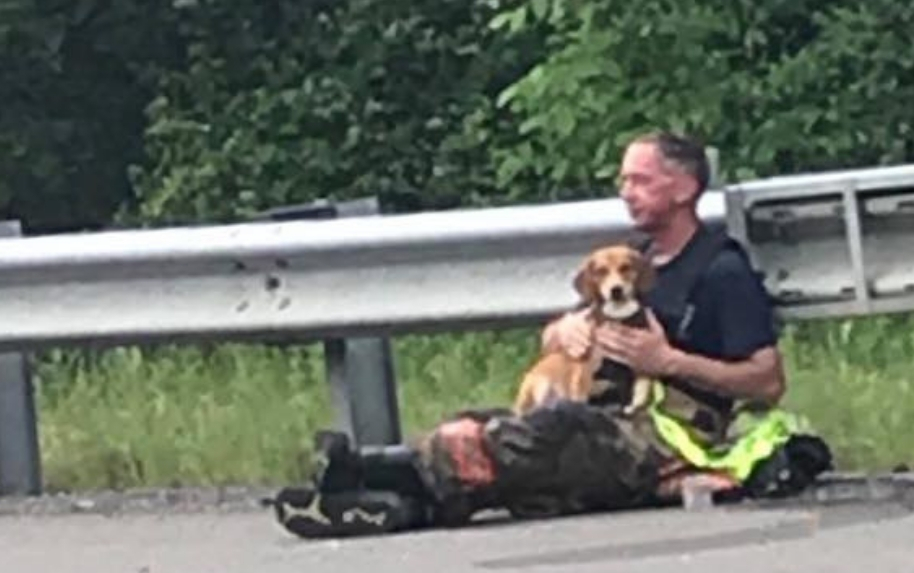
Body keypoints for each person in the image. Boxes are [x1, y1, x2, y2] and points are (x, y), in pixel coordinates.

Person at [269, 132, 831, 539]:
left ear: (684, 187)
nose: (626, 191)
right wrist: (564, 328)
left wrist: (668, 361)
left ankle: (366, 473)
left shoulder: (721, 270)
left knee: (540, 434)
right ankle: (392, 503)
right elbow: (562, 339)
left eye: (640, 180)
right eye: (623, 181)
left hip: (663, 439)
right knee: (484, 423)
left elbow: (766, 381)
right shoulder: (631, 262)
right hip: (598, 417)